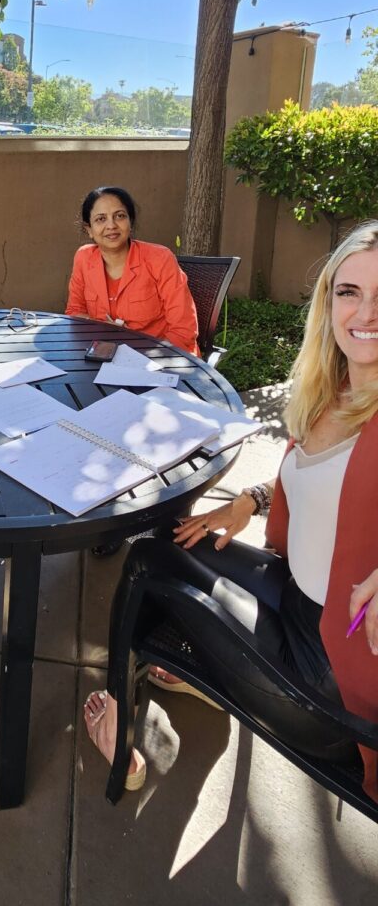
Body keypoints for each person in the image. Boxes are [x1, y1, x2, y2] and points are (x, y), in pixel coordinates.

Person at [85, 220, 378, 801]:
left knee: (146, 563)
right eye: (351, 292)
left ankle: (119, 718)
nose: (367, 313)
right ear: (329, 301)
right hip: (298, 596)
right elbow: (322, 478)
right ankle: (201, 671)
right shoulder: (336, 387)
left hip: (327, 687)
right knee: (170, 540)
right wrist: (251, 502)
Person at [65, 186, 199, 356]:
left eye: (120, 216)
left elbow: (183, 329)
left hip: (161, 358)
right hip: (104, 356)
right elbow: (75, 313)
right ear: (89, 230)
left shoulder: (160, 258)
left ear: (130, 222)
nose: (111, 225)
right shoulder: (83, 257)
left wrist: (149, 362)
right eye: (100, 219)